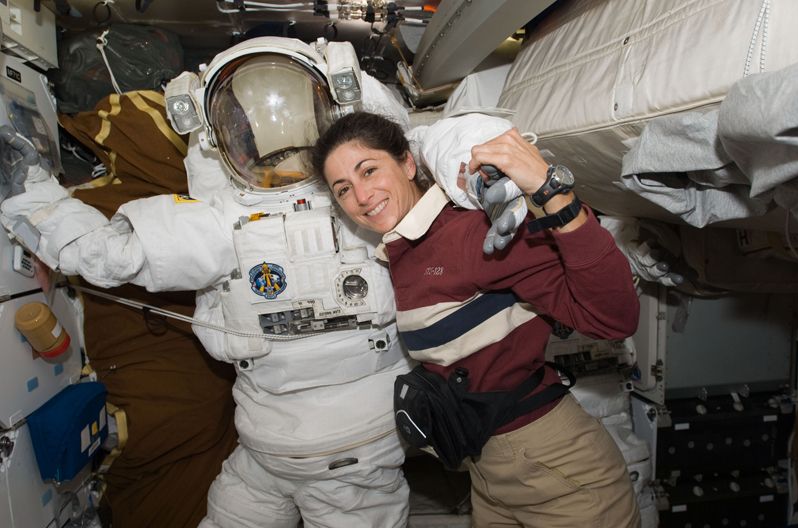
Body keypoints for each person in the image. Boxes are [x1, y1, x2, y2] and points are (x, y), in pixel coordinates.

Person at [0, 37, 474, 528]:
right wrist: (33, 194)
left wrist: (31, 196)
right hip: (274, 450)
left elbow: (442, 142)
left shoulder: (360, 204)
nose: (279, 148)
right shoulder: (335, 208)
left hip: (325, 452)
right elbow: (108, 254)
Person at [312, 111, 642, 527]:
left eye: (369, 170)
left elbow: (614, 318)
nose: (361, 196)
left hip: (559, 472)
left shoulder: (470, 233)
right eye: (343, 188)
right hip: (488, 475)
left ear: (408, 164)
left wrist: (553, 195)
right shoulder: (405, 252)